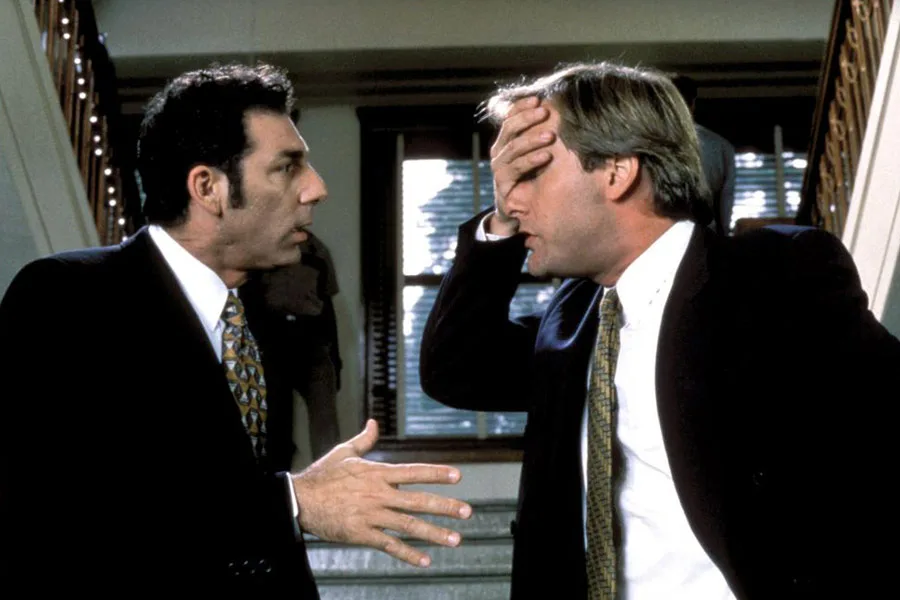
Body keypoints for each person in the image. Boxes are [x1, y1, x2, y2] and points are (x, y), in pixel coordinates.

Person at [419, 60, 900, 599]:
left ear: (617, 172)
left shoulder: (778, 275)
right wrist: (501, 224)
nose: (511, 198)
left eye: (531, 173)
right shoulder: (572, 315)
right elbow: (456, 370)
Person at [0, 63, 471, 594]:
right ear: (209, 188)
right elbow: (56, 513)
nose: (317, 188)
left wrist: (298, 496)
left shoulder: (258, 320)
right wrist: (295, 500)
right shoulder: (65, 297)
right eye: (288, 167)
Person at [239, 229, 343, 460]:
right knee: (276, 421)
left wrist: (335, 358)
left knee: (325, 422)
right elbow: (247, 299)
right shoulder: (260, 246)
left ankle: (331, 471)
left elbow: (327, 306)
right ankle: (276, 472)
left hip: (312, 342)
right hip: (273, 344)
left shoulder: (317, 250)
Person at [673, 74, 736, 235]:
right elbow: (725, 207)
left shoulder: (645, 145)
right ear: (693, 104)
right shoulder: (721, 146)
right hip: (705, 238)